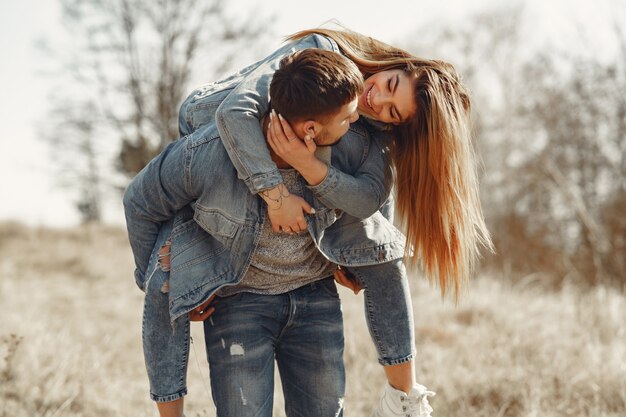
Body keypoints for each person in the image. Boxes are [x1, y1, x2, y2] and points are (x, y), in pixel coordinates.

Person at [184, 27, 493, 416]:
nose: (376, 98)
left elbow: (371, 198)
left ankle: (404, 398)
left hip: (306, 279)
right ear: (399, 64)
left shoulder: (373, 130)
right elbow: (233, 111)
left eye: (392, 111)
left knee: (384, 250)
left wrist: (308, 167)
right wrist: (275, 196)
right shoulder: (319, 56)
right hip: (210, 129)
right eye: (390, 84)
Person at [125, 48, 407, 417]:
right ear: (311, 129)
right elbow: (139, 202)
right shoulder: (208, 154)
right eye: (348, 117)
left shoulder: (348, 145)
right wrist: (161, 283)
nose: (357, 120)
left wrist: (355, 261)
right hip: (238, 304)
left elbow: (373, 196)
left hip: (315, 300)